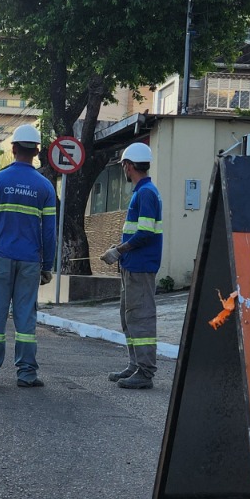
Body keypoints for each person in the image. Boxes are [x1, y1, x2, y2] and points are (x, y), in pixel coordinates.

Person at [0, 124, 58, 388]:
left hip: (1, 258)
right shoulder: (45, 187)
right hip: (30, 261)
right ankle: (27, 373)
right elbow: (49, 231)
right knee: (26, 316)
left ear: (14, 148)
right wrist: (46, 265)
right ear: (37, 151)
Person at [100, 141, 163, 389]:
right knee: (129, 317)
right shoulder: (143, 192)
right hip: (133, 264)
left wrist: (118, 250)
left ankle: (145, 371)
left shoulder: (145, 193)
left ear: (128, 165)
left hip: (140, 266)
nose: (123, 170)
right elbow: (138, 232)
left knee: (141, 317)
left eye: (123, 166)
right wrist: (121, 250)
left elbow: (145, 234)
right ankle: (135, 364)